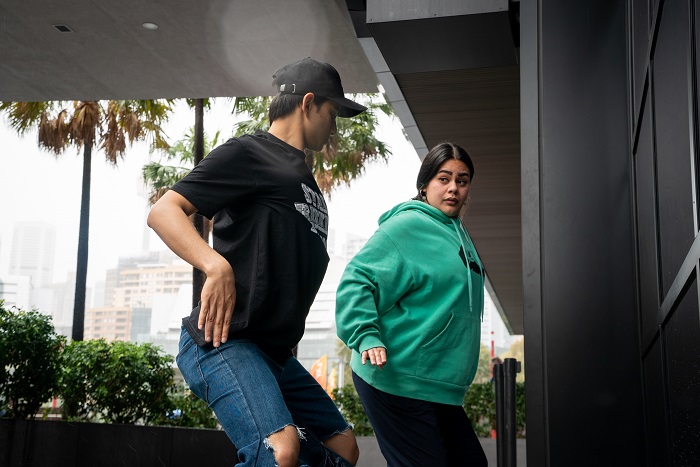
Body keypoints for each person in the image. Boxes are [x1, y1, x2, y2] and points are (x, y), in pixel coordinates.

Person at [147, 57, 366, 467]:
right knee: (280, 449)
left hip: (275, 354)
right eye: (333, 113)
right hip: (225, 342)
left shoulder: (305, 181)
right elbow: (164, 211)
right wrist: (216, 265)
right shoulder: (251, 152)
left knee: (344, 448)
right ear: (308, 103)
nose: (334, 126)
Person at [335, 142, 488, 466]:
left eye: (462, 181)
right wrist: (366, 334)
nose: (453, 188)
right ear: (425, 184)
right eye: (443, 179)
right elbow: (357, 280)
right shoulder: (407, 227)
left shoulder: (457, 233)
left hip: (438, 384)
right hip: (395, 375)